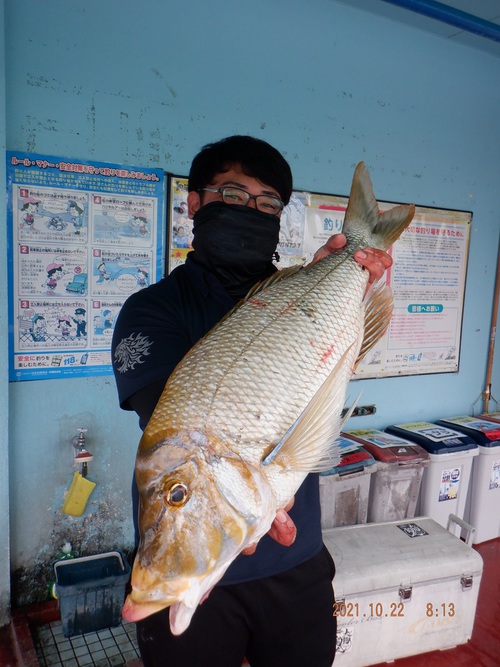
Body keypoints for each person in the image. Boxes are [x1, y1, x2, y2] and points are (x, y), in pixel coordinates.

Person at [111, 135, 392, 667]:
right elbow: (177, 431)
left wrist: (353, 284)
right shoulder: (150, 310)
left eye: (268, 204)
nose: (252, 210)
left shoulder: (301, 286)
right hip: (195, 566)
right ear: (194, 204)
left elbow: (338, 366)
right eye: (234, 195)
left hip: (296, 558)